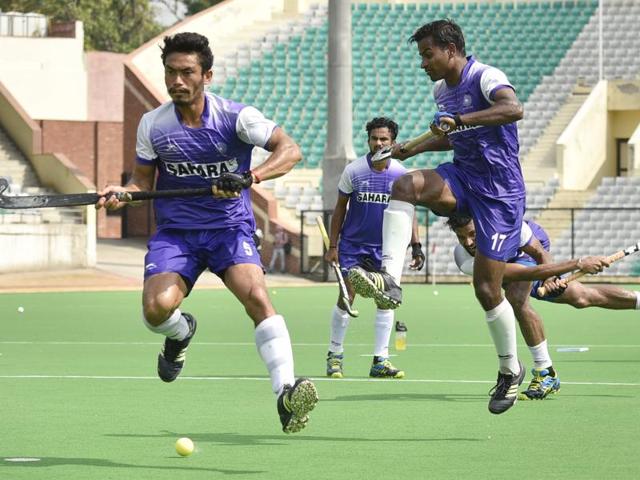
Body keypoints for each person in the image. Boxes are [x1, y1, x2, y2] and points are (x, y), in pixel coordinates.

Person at [95, 32, 317, 434]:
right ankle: (180, 334)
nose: (177, 81)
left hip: (229, 229)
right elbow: (142, 182)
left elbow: (290, 150)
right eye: (170, 73)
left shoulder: (237, 118)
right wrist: (121, 194)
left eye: (187, 73)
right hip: (177, 233)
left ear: (207, 75)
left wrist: (250, 176)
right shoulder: (154, 125)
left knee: (257, 297)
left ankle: (285, 393)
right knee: (155, 309)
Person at [348, 19, 529, 414]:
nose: (423, 63)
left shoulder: (485, 77)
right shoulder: (439, 90)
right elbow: (452, 136)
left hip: (500, 194)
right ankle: (389, 281)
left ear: (450, 49)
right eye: (421, 56)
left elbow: (513, 109)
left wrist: (461, 120)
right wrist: (413, 149)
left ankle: (509, 369)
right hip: (463, 176)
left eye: (427, 54)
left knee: (486, 290)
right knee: (404, 186)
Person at [447, 215, 626, 399]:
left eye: (473, 234)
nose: (468, 242)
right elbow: (522, 273)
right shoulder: (464, 259)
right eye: (461, 237)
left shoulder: (509, 226)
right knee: (580, 298)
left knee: (516, 299)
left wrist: (557, 273)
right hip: (508, 263)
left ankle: (545, 372)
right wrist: (573, 266)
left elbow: (540, 254)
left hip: (529, 248)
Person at [324, 117, 425, 379]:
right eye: (374, 138)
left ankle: (380, 360)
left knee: (387, 301)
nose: (378, 143)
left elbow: (409, 213)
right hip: (354, 246)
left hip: (387, 248)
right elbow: (339, 209)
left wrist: (416, 245)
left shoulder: (401, 174)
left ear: (393, 142)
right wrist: (333, 245)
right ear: (368, 140)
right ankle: (335, 356)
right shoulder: (354, 171)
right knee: (347, 296)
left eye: (384, 139)